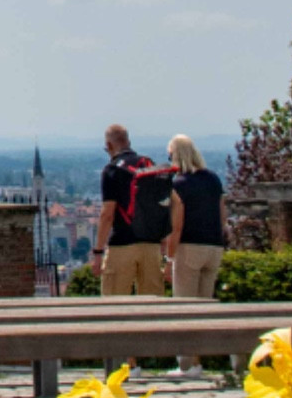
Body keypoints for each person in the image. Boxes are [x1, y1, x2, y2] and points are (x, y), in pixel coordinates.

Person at [93, 123, 167, 295]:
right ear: (128, 142)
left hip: (122, 243)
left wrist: (98, 250)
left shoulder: (112, 170)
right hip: (151, 244)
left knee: (114, 304)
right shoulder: (149, 165)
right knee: (153, 305)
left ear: (109, 146)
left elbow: (107, 214)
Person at [165, 135, 227, 301]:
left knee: (184, 304)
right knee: (206, 303)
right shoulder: (214, 179)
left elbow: (177, 226)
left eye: (170, 156)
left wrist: (169, 258)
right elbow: (222, 217)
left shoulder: (179, 184)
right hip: (214, 247)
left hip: (189, 247)